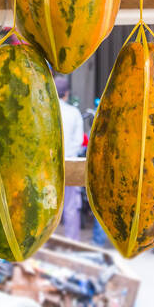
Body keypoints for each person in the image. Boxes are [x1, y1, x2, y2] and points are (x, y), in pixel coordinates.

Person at [54, 74, 86, 241]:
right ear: (66, 93)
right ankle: (72, 243)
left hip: (49, 166)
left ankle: (44, 245)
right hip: (70, 164)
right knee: (71, 207)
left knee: (48, 206)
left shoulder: (47, 111)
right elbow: (79, 140)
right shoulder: (74, 113)